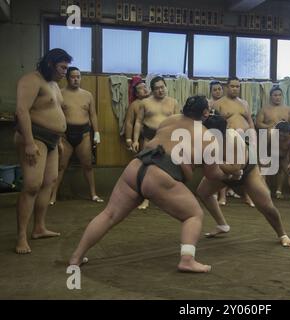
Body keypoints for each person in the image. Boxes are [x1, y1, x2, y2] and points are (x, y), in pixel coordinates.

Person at [69, 96, 241, 273]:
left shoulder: (170, 119)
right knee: (194, 214)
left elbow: (163, 143)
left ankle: (76, 257)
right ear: (205, 113)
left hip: (136, 166)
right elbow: (211, 174)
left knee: (109, 214)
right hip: (161, 174)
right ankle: (187, 260)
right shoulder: (207, 137)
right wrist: (231, 174)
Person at [196, 114, 290, 247]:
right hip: (226, 170)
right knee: (203, 192)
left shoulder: (233, 140)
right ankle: (222, 225)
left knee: (266, 206)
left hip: (248, 170)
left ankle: (282, 234)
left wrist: (212, 160)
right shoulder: (205, 139)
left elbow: (237, 168)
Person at [14, 48, 72, 254]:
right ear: (50, 64)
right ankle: (21, 236)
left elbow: (55, 113)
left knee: (49, 182)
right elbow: (21, 110)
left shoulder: (54, 85)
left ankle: (39, 227)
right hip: (35, 137)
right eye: (62, 67)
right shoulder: (31, 80)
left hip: (53, 140)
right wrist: (29, 142)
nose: (65, 72)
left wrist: (61, 140)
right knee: (32, 185)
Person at [50, 67, 103, 204]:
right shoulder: (60, 94)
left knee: (88, 166)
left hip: (84, 134)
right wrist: (57, 134)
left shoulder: (87, 95)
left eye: (78, 76)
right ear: (67, 78)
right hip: (65, 135)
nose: (76, 79)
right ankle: (52, 196)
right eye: (73, 76)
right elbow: (55, 115)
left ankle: (93, 194)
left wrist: (96, 132)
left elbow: (93, 115)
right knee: (61, 166)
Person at [132, 76, 180, 209]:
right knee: (146, 169)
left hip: (167, 139)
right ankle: (145, 199)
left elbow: (178, 122)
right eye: (157, 88)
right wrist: (135, 140)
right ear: (152, 90)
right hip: (149, 138)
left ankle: (167, 199)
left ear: (166, 87)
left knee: (169, 170)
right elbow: (138, 122)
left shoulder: (173, 102)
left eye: (162, 87)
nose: (160, 90)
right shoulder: (145, 103)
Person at [212, 77, 256, 207]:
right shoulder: (218, 103)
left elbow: (250, 121)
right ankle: (222, 196)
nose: (235, 89)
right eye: (232, 86)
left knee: (249, 166)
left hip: (246, 137)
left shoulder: (244, 103)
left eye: (237, 86)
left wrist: (253, 136)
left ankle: (248, 196)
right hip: (229, 137)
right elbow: (215, 124)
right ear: (227, 87)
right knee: (227, 167)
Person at [256, 86, 290, 201]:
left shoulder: (288, 109)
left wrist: (283, 128)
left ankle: (288, 193)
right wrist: (273, 127)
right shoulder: (264, 109)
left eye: (279, 95)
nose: (277, 97)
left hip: (285, 142)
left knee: (287, 168)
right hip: (269, 142)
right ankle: (264, 193)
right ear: (271, 96)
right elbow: (259, 124)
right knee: (263, 168)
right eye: (275, 95)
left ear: (282, 96)